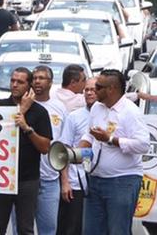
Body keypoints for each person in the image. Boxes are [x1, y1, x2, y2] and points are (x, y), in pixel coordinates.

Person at [79, 69, 148, 235]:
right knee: (91, 231)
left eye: (98, 86)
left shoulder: (130, 112)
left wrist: (111, 139)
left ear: (111, 89)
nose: (94, 89)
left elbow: (143, 145)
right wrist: (80, 149)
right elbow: (89, 134)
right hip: (95, 179)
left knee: (118, 231)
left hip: (122, 181)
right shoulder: (97, 107)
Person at [0, 67, 53, 235]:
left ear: (29, 85)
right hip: (2, 178)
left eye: (20, 82)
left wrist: (27, 128)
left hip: (27, 179)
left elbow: (45, 148)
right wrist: (21, 110)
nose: (15, 85)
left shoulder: (40, 112)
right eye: (12, 81)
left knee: (25, 228)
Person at [58, 77, 99, 235]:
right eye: (86, 89)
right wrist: (65, 182)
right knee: (72, 227)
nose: (89, 93)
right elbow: (64, 151)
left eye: (93, 89)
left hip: (100, 182)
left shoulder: (110, 116)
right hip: (76, 183)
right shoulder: (74, 117)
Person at [31, 66, 68, 235]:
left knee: (48, 230)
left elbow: (63, 147)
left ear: (51, 82)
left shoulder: (59, 108)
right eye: (34, 78)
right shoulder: (22, 106)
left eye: (42, 78)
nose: (37, 81)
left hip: (49, 180)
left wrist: (65, 181)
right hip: (26, 180)